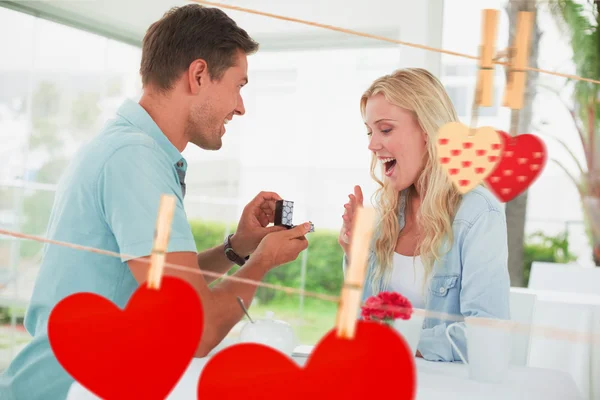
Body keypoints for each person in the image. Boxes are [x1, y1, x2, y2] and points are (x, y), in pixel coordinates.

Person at [0, 5, 311, 400]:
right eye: (239, 86)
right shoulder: (137, 160)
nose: (240, 107)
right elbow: (193, 330)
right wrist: (262, 261)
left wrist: (238, 249)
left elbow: (149, 282)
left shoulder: (129, 148)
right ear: (199, 75)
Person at [339, 68, 510, 362]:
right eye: (369, 131)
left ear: (429, 131)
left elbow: (488, 333)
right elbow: (361, 328)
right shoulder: (385, 213)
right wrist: (355, 258)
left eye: (386, 129)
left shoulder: (479, 214)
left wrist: (399, 343)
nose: (372, 144)